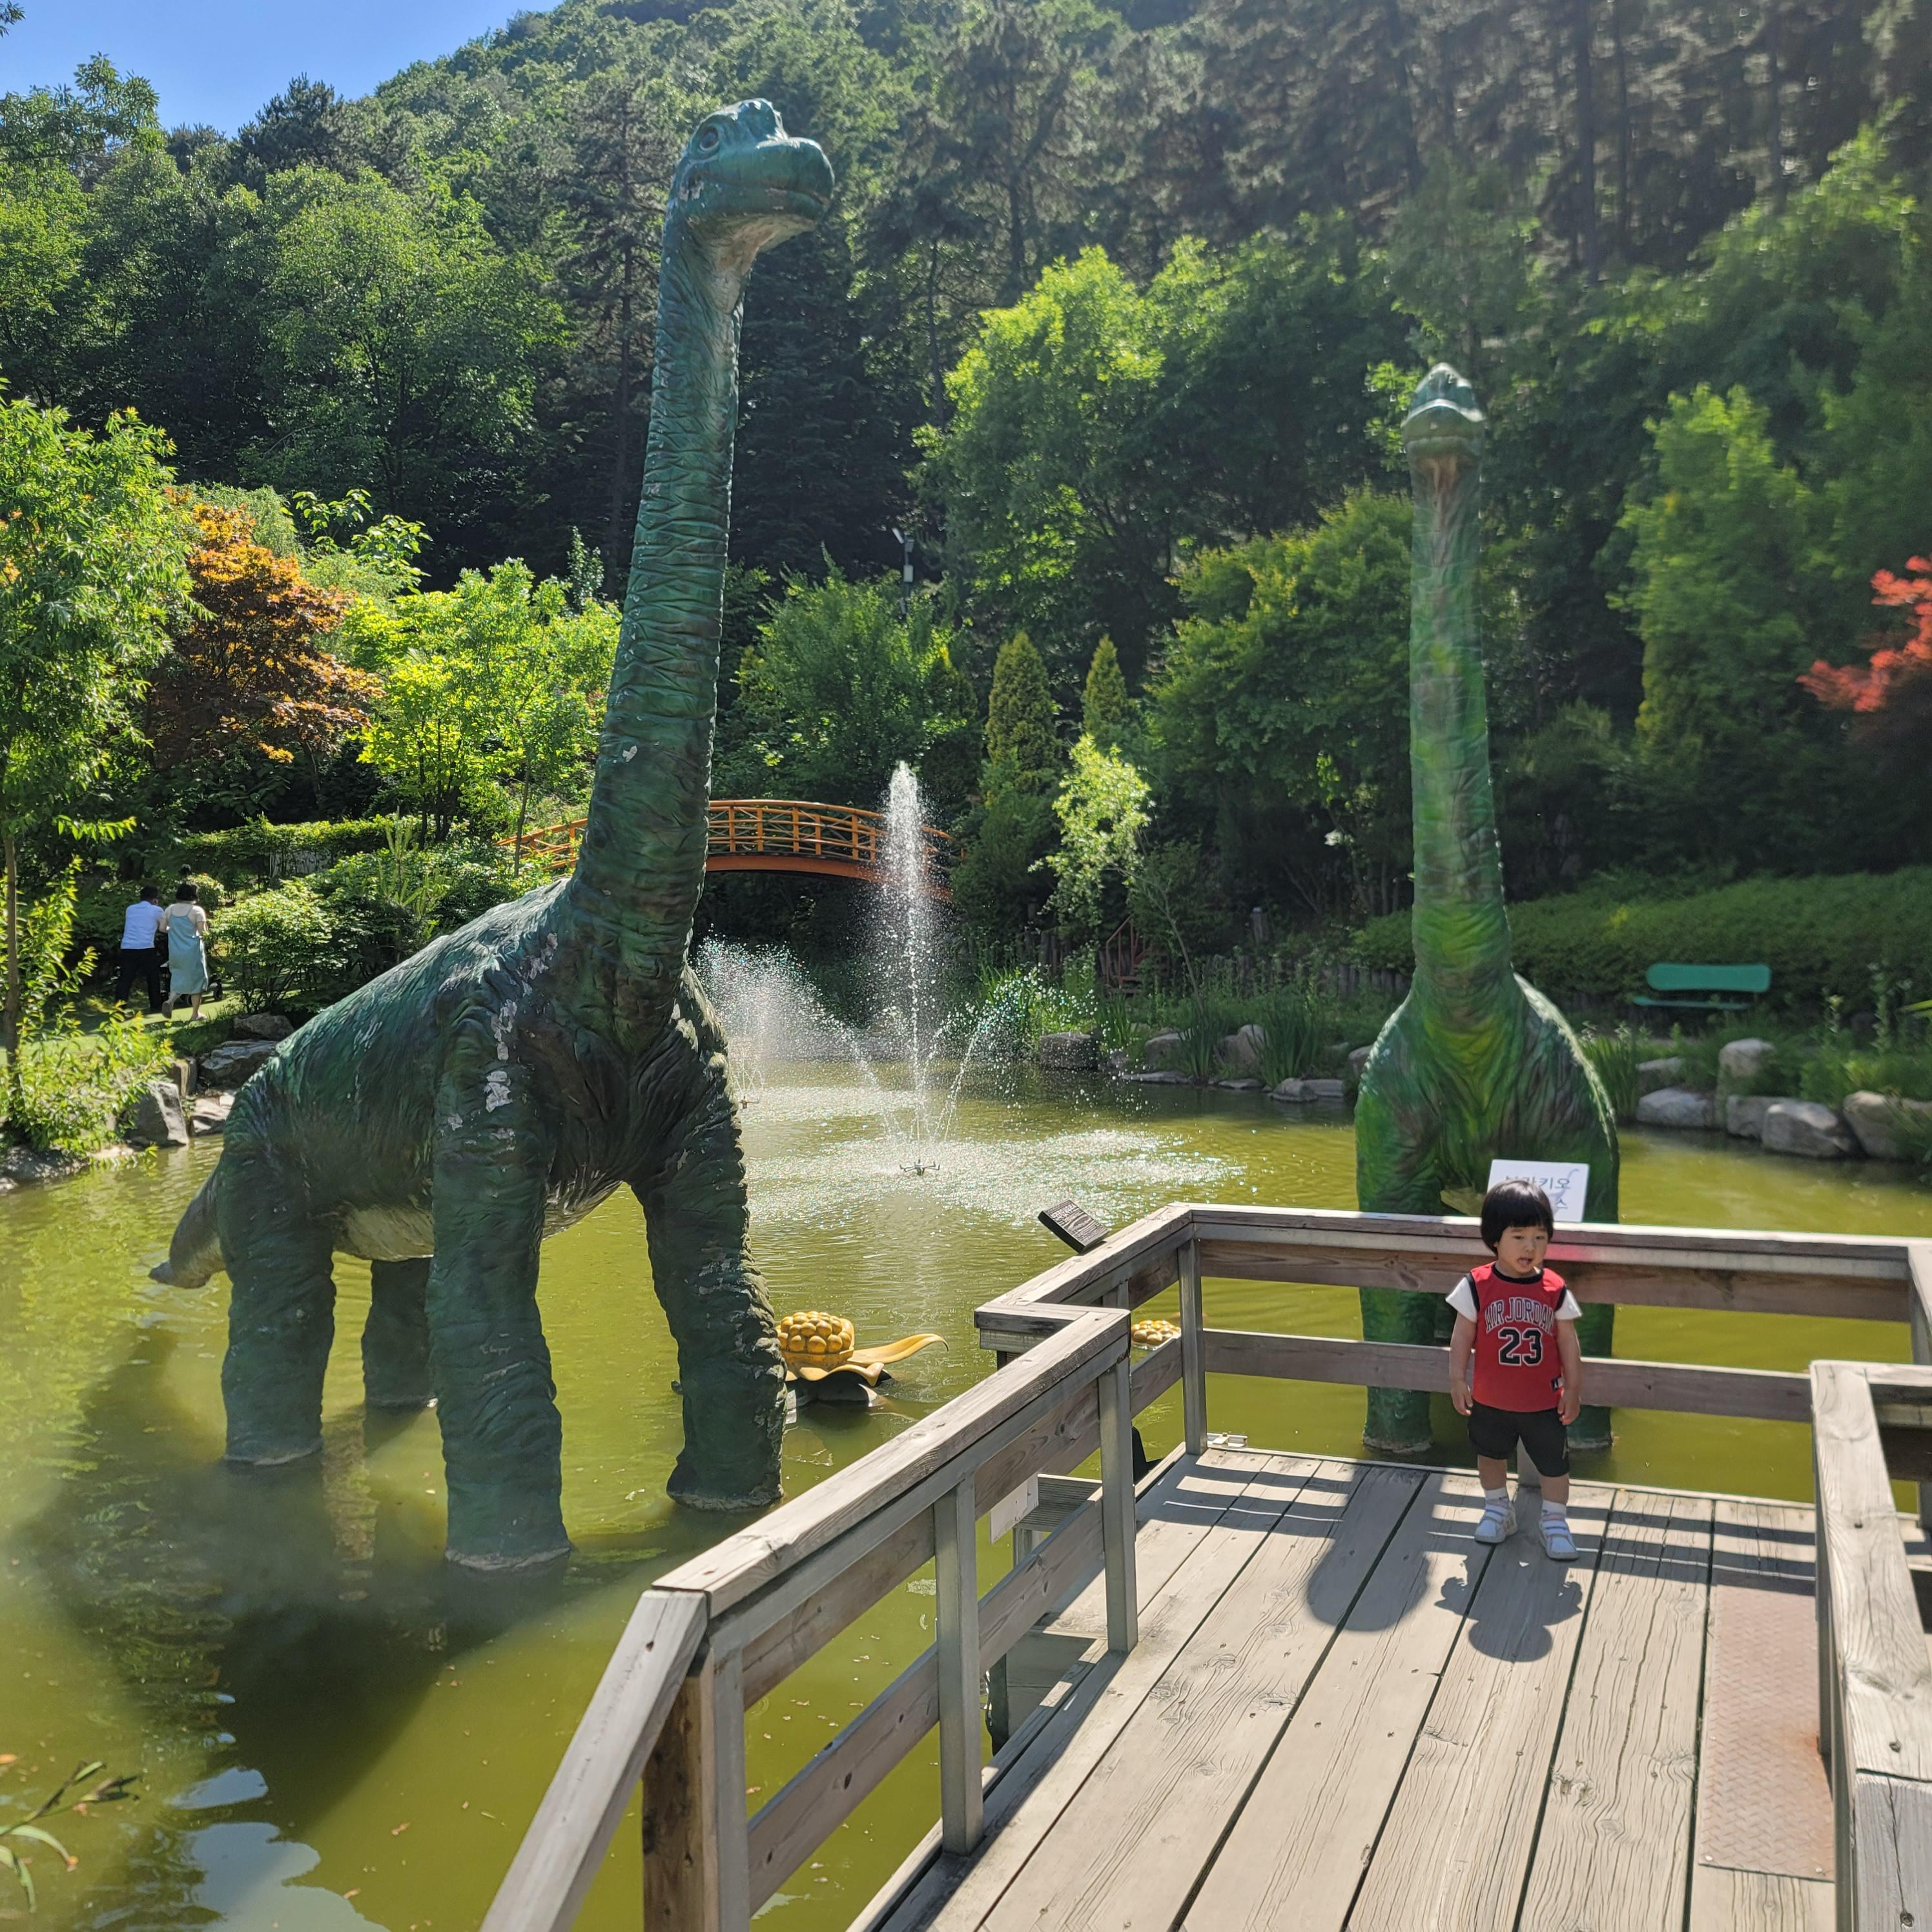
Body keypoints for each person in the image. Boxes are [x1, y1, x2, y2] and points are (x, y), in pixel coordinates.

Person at [1447, 1178, 1584, 1561]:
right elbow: (1461, 1337)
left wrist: (1574, 1388)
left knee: (1555, 1464)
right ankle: (1497, 1510)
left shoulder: (1554, 1288)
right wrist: (1457, 1378)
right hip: (1491, 1398)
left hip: (1544, 1400)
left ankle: (1555, 1521)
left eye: (1540, 1237)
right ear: (1495, 1238)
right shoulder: (1476, 1285)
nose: (1530, 1247)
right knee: (1490, 1456)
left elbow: (1569, 1342)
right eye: (1519, 1236)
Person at [161, 881, 211, 1023]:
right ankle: (195, 1014)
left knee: (178, 977)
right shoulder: (196, 911)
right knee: (197, 981)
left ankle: (170, 1001)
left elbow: (163, 928)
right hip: (192, 951)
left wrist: (176, 931)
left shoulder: (170, 910)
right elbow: (203, 932)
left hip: (175, 951)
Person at [114, 886, 165, 1013]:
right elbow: (164, 929)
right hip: (146, 947)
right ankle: (156, 1005)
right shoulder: (157, 910)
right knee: (153, 977)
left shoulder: (130, 909)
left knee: (125, 979)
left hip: (128, 947)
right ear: (155, 900)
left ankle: (119, 1009)